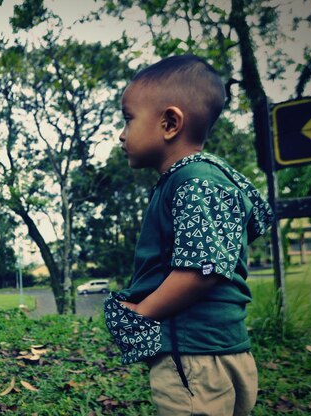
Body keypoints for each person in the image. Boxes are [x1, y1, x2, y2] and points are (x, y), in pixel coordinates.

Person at [104, 54, 273, 416]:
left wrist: (141, 312)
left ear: (169, 122)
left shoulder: (191, 181)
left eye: (128, 119)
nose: (121, 133)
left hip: (192, 357)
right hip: (227, 352)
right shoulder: (208, 179)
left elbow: (201, 271)